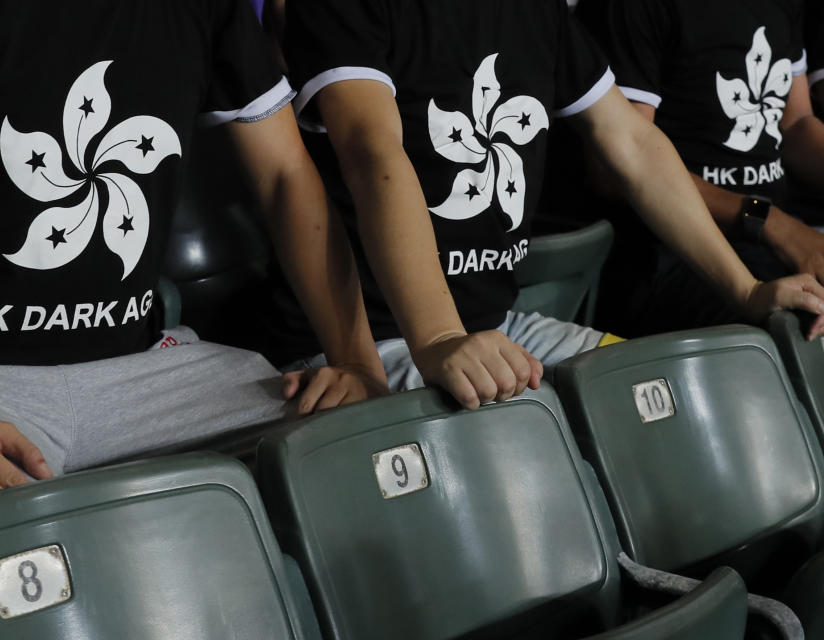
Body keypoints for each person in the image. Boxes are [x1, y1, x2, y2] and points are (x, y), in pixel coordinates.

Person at [0, 0, 387, 508]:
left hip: (140, 373)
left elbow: (284, 177)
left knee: (343, 448)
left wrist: (358, 365)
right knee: (16, 527)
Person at [261, 0, 824, 411]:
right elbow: (369, 149)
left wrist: (746, 290)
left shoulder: (538, 12)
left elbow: (633, 144)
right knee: (537, 453)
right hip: (368, 343)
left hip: (493, 328)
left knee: (670, 403)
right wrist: (437, 339)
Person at [575, 0, 824, 334]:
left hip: (771, 243)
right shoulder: (630, 9)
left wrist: (782, 230)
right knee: (803, 327)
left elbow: (795, 125)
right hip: (672, 258)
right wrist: (769, 221)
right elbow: (618, 166)